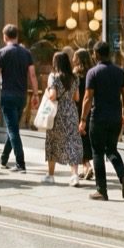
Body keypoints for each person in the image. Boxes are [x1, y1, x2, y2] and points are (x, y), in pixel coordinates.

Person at [79, 41, 124, 201]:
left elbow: (88, 98)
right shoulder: (119, 72)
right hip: (115, 116)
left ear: (96, 54)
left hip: (98, 117)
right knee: (112, 150)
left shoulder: (93, 73)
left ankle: (101, 190)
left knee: (97, 153)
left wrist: (82, 119)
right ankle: (123, 176)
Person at [0, 24, 38, 173]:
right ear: (17, 36)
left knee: (12, 130)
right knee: (13, 128)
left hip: (7, 94)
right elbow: (32, 75)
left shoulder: (1, 53)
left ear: (5, 37)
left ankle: (20, 163)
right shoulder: (26, 53)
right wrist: (36, 94)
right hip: (22, 95)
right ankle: (4, 158)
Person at [43, 52, 83, 186]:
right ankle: (74, 175)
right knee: (72, 142)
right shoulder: (75, 77)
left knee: (53, 142)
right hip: (71, 112)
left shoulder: (53, 77)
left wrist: (47, 92)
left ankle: (50, 175)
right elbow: (77, 98)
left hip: (57, 113)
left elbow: (53, 96)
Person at [72, 49, 95, 179]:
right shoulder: (91, 73)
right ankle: (86, 166)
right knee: (86, 138)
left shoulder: (75, 74)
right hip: (90, 108)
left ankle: (86, 166)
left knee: (79, 139)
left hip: (77, 108)